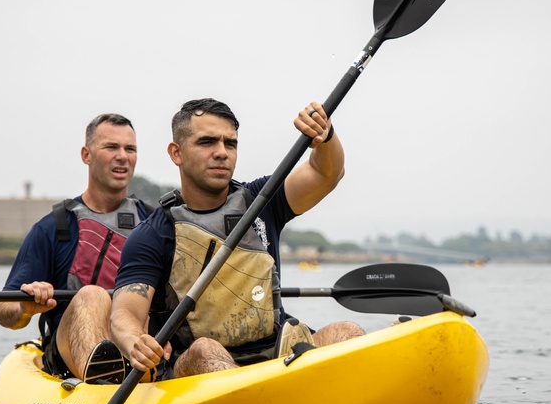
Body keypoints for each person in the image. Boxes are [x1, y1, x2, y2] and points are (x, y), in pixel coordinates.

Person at [111, 98, 364, 380]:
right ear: (176, 153)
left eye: (230, 144)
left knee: (347, 332)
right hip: (195, 366)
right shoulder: (153, 233)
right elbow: (124, 313)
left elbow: (326, 173)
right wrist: (136, 340)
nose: (222, 152)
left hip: (276, 353)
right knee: (205, 350)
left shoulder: (262, 201)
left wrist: (325, 136)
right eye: (207, 142)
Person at [0, 113, 149, 383]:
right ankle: (103, 382)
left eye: (130, 149)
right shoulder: (52, 228)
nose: (123, 156)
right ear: (86, 155)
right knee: (93, 296)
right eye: (111, 147)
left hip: (138, 348)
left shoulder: (152, 224)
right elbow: (4, 312)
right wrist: (24, 308)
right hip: (68, 355)